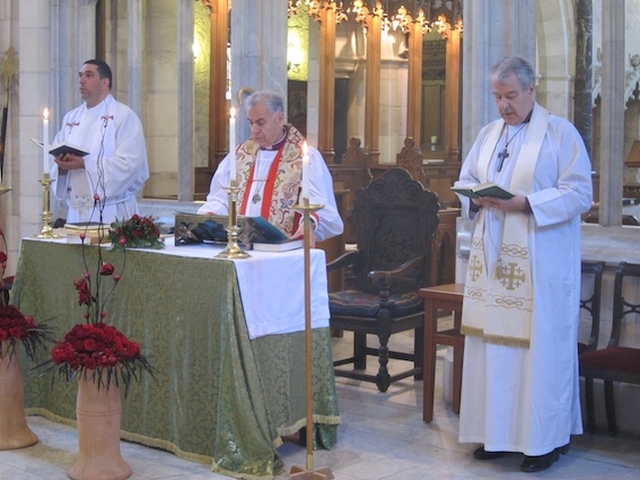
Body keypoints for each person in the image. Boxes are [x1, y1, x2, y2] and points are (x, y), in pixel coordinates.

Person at [453, 56, 593, 473]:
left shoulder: (559, 134)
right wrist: (474, 197)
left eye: (510, 96)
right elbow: (467, 180)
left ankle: (543, 441)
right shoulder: (489, 134)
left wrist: (526, 203)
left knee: (538, 353)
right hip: (492, 261)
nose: (503, 106)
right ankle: (497, 435)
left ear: (532, 89)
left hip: (539, 262)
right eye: (497, 97)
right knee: (492, 347)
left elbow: (579, 193)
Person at [198, 89, 343, 243]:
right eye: (251, 122)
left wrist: (309, 224)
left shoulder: (305, 158)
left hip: (283, 252)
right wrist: (209, 218)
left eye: (261, 122)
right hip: (241, 248)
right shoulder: (239, 155)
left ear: (280, 119)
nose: (254, 130)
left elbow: (319, 205)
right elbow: (220, 199)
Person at [50, 59, 149, 224]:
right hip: (76, 212)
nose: (81, 80)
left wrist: (85, 164)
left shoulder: (123, 116)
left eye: (89, 75)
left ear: (105, 83)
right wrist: (61, 166)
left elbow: (129, 164)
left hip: (112, 212)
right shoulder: (71, 118)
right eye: (80, 75)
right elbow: (54, 154)